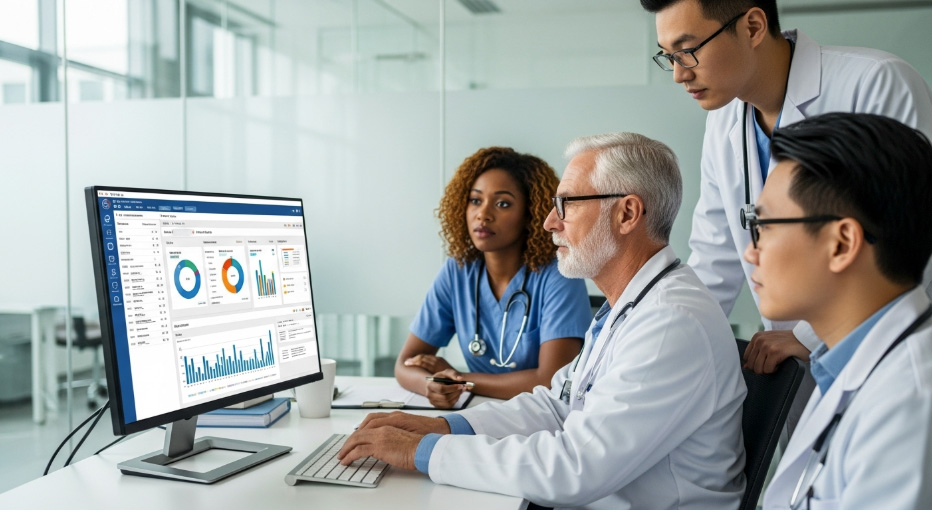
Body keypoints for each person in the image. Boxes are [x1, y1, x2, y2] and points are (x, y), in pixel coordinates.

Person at [339, 132, 747, 509]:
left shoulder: (669, 324)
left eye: (566, 204)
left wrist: (420, 451)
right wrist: (444, 427)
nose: (551, 222)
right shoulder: (633, 306)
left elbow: (573, 469)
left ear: (627, 214)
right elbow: (555, 407)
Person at [640, 0, 932, 380]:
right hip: (793, 367)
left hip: (889, 357)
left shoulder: (875, 83)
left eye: (688, 51)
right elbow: (715, 259)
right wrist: (658, 341)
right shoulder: (724, 119)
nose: (678, 74)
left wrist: (806, 335)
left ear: (753, 27)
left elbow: (912, 240)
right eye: (668, 56)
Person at [741, 113, 932, 509]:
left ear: (842, 244)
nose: (750, 251)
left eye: (765, 225)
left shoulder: (911, 403)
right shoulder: (847, 364)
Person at [395, 147, 592, 408]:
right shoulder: (458, 271)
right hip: (480, 411)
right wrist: (432, 385)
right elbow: (405, 364)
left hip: (544, 419)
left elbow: (549, 380)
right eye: (476, 200)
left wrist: (461, 380)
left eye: (503, 204)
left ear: (530, 214)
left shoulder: (559, 275)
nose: (483, 214)